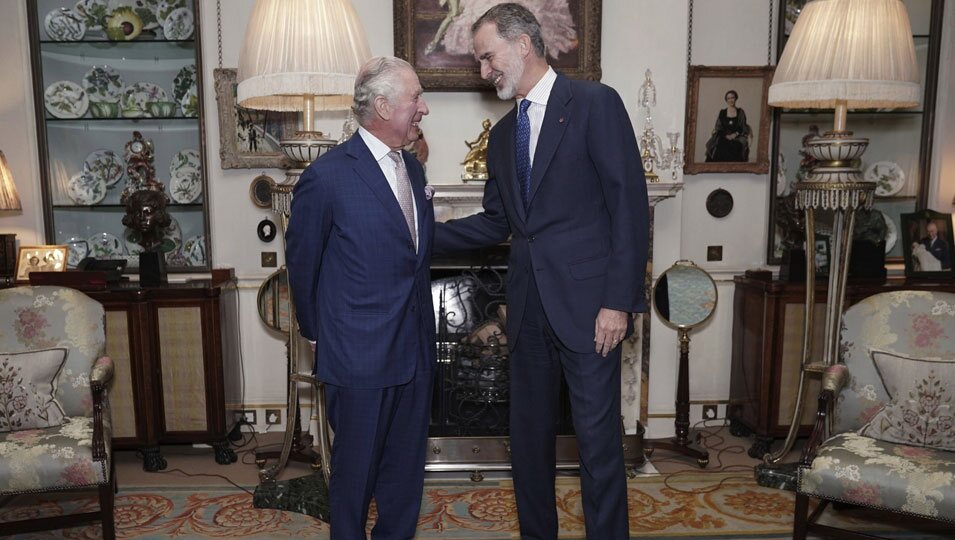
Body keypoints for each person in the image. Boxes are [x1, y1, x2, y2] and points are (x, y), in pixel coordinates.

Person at [433, 4, 648, 538]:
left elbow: (629, 207)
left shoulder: (596, 103)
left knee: (599, 446)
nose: (484, 71)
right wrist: (417, 236)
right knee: (527, 444)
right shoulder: (503, 135)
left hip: (591, 309)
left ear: (523, 44)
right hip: (526, 312)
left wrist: (618, 301)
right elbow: (496, 223)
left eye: (487, 57)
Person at [285, 56, 435, 539]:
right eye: (416, 98)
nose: (424, 109)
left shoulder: (411, 170)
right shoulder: (326, 177)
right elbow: (303, 267)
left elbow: (412, 253)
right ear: (384, 104)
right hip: (358, 358)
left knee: (404, 479)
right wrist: (314, 334)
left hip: (415, 353)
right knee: (354, 482)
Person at [704, 90, 752, 162]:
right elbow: (718, 127)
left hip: (737, 137)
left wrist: (735, 134)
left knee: (736, 146)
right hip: (723, 136)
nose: (730, 100)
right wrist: (726, 136)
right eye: (728, 98)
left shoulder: (740, 112)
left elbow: (743, 126)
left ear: (735, 98)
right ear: (726, 100)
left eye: (732, 98)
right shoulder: (722, 112)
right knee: (720, 146)